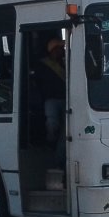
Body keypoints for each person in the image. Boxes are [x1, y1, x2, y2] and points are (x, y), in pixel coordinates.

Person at [36, 38, 66, 169]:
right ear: (52, 50)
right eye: (59, 48)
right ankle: (50, 144)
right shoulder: (43, 65)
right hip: (51, 100)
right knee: (52, 124)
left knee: (66, 130)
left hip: (66, 100)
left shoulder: (66, 63)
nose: (62, 51)